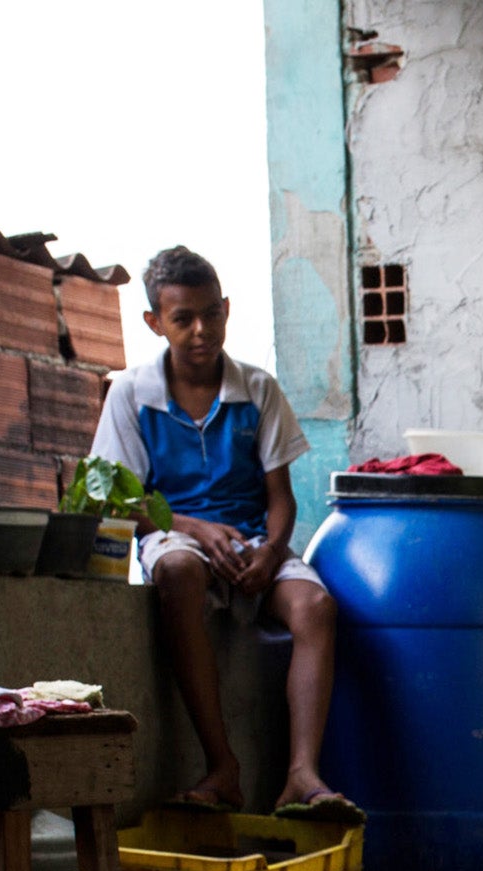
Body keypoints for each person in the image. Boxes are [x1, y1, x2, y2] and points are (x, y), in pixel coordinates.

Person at [90, 246, 355, 820]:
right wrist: (189, 526)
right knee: (177, 572)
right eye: (182, 319)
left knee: (315, 606)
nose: (201, 330)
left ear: (228, 309)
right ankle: (222, 766)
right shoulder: (130, 395)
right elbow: (120, 500)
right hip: (175, 536)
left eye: (212, 313)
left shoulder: (258, 390)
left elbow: (281, 497)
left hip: (255, 538)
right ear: (154, 323)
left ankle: (302, 773)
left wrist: (271, 551)